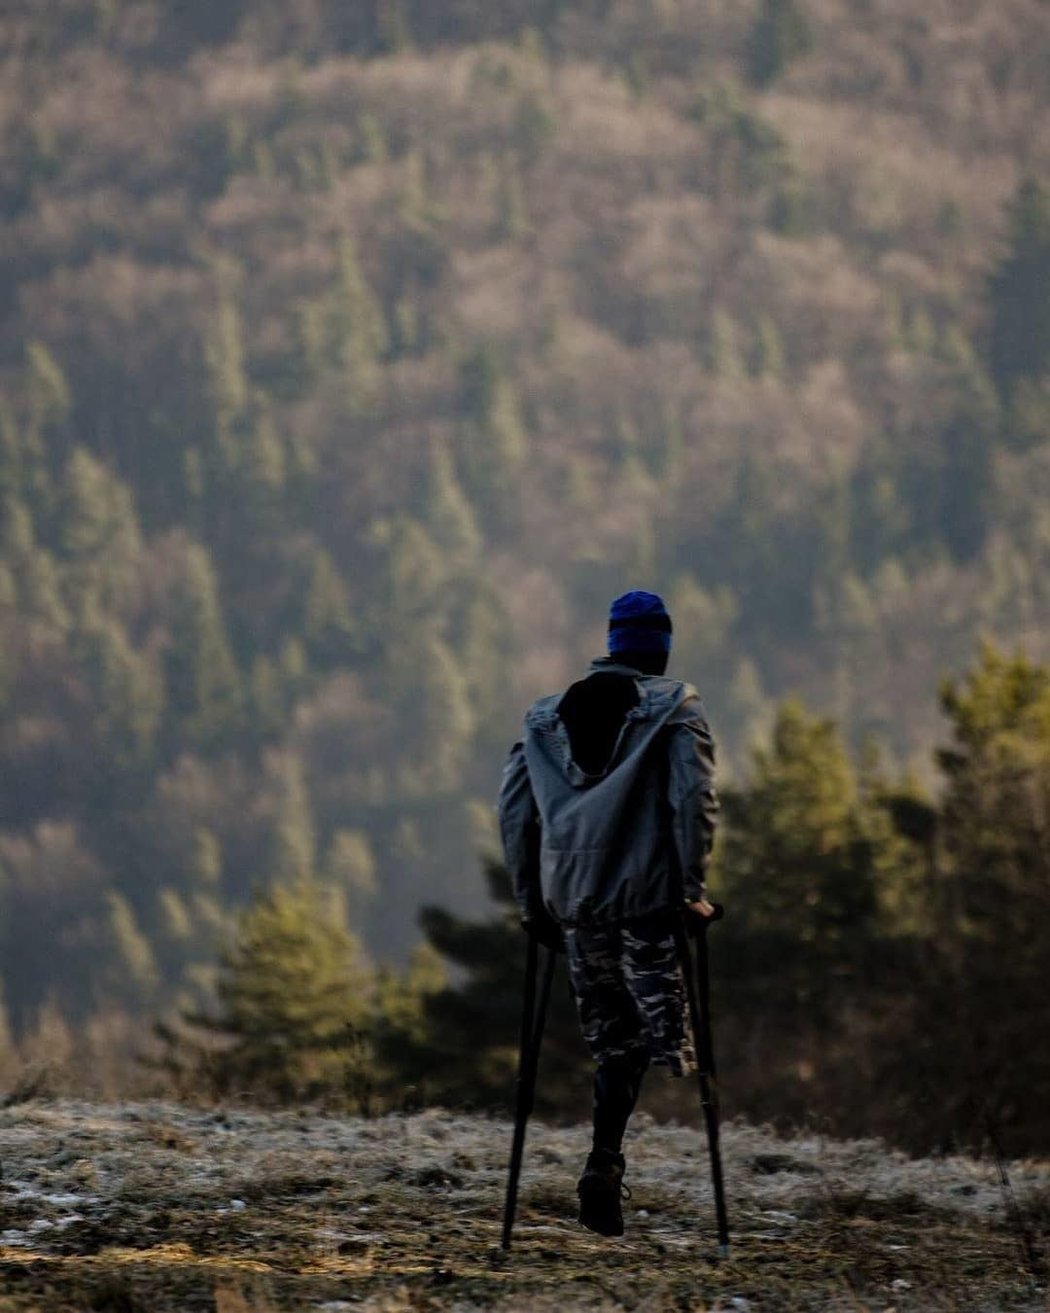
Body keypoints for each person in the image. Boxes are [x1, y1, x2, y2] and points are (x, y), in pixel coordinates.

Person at [498, 589, 719, 1237]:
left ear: (612, 642)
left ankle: (606, 1162)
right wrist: (691, 887)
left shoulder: (543, 719)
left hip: (576, 903)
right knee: (652, 1039)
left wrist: (531, 904)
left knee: (614, 1041)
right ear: (660, 646)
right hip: (648, 902)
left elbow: (515, 812)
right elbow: (693, 800)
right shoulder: (678, 711)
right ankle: (603, 1161)